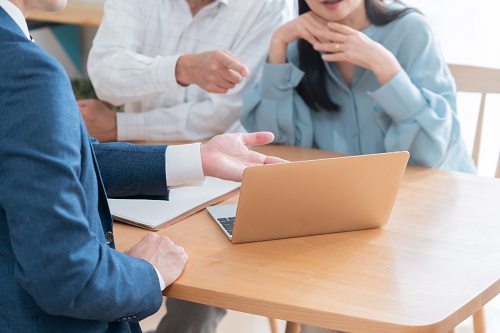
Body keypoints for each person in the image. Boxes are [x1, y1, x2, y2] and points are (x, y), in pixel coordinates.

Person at [0, 1, 285, 332]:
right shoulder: (28, 73)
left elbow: (51, 161)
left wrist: (196, 158)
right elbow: (69, 278)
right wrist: (149, 272)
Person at [241, 0, 476, 174]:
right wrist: (278, 44)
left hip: (435, 197)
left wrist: (384, 66)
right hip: (351, 202)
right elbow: (273, 144)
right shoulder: (298, 46)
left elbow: (431, 152)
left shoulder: (412, 30)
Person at [79, 0, 295, 142]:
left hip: (221, 162)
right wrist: (181, 69)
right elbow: (105, 75)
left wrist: (121, 126)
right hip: (140, 153)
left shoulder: (270, 4)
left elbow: (226, 114)